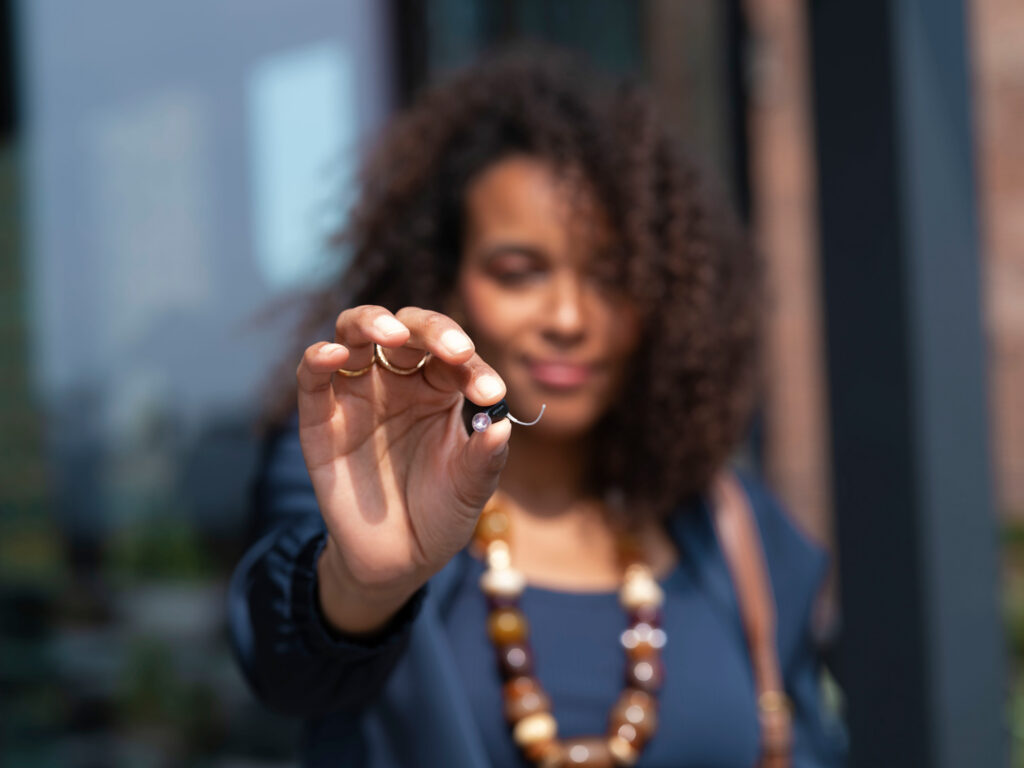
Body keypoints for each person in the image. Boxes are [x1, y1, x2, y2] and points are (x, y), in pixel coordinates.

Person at [229, 47, 847, 768]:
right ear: (445, 284)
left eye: (612, 277)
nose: (568, 316)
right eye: (519, 272)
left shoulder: (732, 528)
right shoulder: (369, 488)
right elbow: (285, 666)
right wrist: (367, 582)